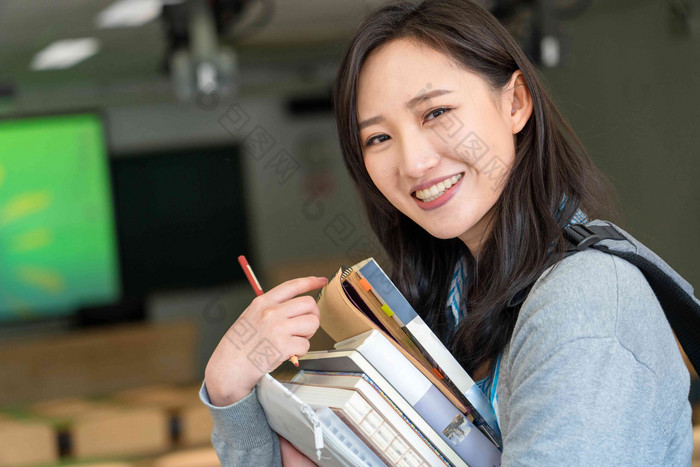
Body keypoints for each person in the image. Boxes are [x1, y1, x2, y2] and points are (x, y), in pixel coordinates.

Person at [200, 0, 693, 465]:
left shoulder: (583, 301)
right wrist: (229, 394)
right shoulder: (452, 300)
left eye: (436, 113)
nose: (413, 162)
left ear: (516, 102)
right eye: (378, 138)